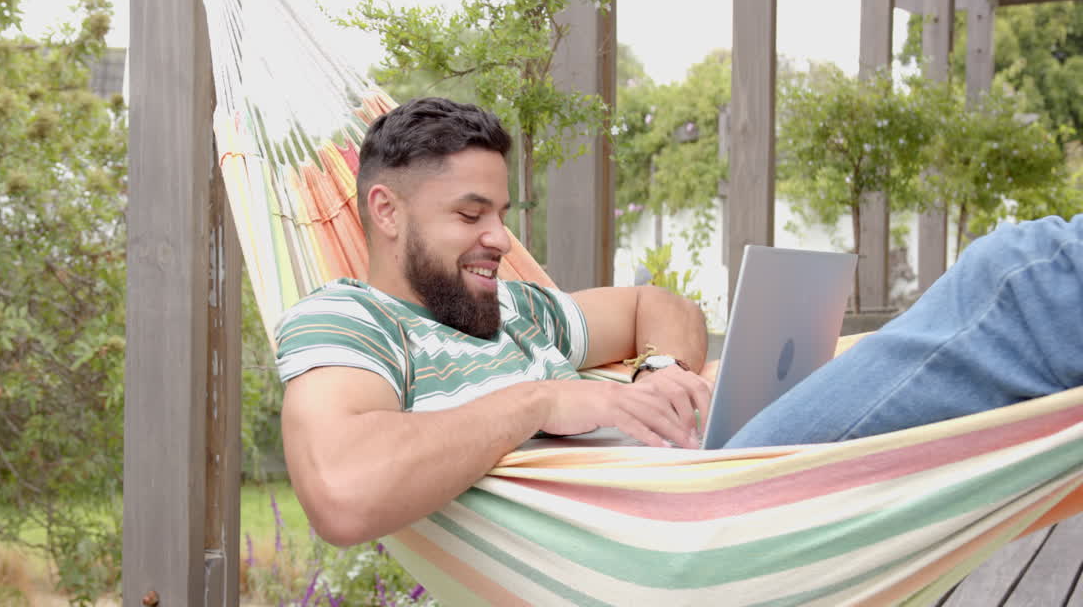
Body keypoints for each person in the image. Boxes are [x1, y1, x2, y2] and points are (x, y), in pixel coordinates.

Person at [276, 97, 1083, 547]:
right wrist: (540, 402)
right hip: (681, 536)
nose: (500, 238)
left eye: (503, 213)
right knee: (1020, 277)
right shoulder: (349, 321)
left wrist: (659, 372)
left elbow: (655, 303)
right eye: (471, 213)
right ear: (385, 210)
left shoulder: (512, 308)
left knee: (952, 316)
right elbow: (343, 493)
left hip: (697, 477)